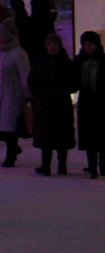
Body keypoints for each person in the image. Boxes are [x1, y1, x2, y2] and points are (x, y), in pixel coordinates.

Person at [0, 18, 31, 168]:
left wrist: (27, 94)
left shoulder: (18, 53)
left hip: (12, 94)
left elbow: (25, 75)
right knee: (1, 127)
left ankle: (11, 154)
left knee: (10, 128)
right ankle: (13, 149)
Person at [28, 32, 76, 175]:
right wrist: (41, 95)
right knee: (46, 138)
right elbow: (32, 82)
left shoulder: (66, 63)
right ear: (46, 46)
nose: (53, 48)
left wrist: (59, 92)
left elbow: (73, 83)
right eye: (50, 45)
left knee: (62, 137)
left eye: (55, 45)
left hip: (61, 106)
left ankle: (62, 165)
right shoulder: (40, 62)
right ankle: (45, 165)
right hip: (44, 106)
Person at [76, 31, 105, 178]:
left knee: (101, 136)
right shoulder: (79, 61)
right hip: (86, 103)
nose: (87, 47)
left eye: (90, 44)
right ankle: (92, 166)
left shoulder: (102, 60)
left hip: (101, 103)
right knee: (89, 137)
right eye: (85, 44)